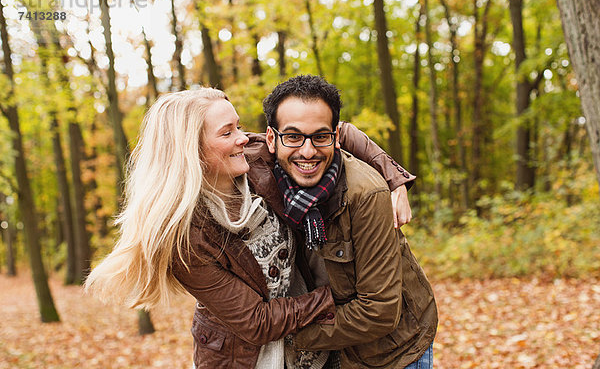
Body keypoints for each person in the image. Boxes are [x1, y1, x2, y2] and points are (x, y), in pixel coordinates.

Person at [84, 87, 409, 368]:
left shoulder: (253, 158)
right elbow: (256, 322)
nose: (243, 137)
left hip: (311, 345)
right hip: (246, 355)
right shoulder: (184, 240)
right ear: (191, 152)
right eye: (227, 132)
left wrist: (396, 181)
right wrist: (334, 296)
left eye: (238, 126)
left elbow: (337, 133)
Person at [244, 75, 438, 368]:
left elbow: (379, 311)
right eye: (293, 136)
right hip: (330, 349)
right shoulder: (259, 170)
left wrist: (289, 336)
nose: (307, 151)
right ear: (272, 139)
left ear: (334, 137)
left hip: (392, 352)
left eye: (320, 137)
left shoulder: (365, 194)